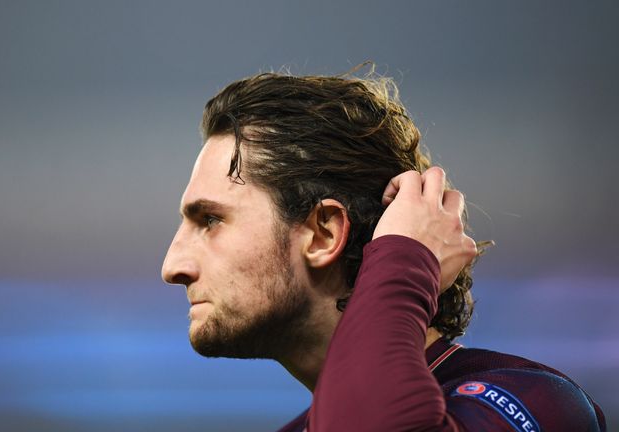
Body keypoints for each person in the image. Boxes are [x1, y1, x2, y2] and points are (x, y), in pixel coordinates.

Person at [161, 71, 606, 431]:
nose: (172, 267)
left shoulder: (536, 402)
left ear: (324, 234)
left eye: (210, 220)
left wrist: (405, 257)